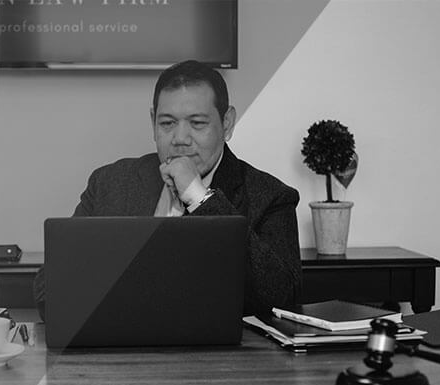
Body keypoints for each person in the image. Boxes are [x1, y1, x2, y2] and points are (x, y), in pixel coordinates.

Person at [33, 60, 302, 320]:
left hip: (219, 350)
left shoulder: (271, 196)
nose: (180, 139)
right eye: (167, 123)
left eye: (197, 123)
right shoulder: (109, 183)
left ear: (227, 123)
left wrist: (198, 197)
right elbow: (48, 293)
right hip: (124, 344)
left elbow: (281, 299)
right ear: (153, 122)